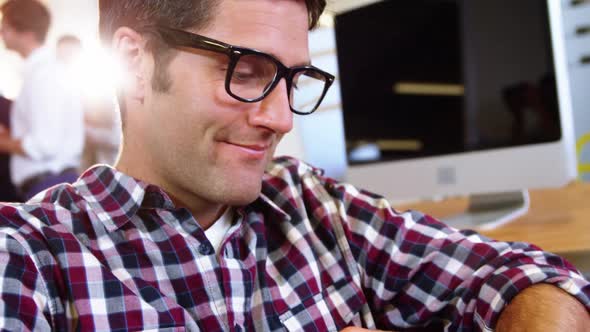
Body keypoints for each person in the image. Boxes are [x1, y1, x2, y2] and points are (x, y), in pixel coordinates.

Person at [0, 0, 588, 330]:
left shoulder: (317, 207)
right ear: (133, 62)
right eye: (247, 72)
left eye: (292, 80)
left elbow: (534, 278)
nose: (282, 120)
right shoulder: (31, 258)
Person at [0, 0, 84, 201]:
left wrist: (3, 142)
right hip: (47, 187)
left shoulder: (45, 75)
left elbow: (44, 144)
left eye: (6, 26)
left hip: (49, 188)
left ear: (26, 32)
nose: (2, 32)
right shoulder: (41, 73)